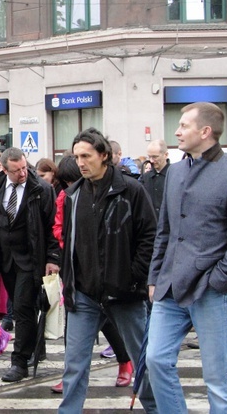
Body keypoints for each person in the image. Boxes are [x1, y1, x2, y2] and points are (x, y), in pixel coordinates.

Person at [147, 102, 227, 413]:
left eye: (184, 125)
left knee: (218, 380)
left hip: (212, 292)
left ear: (205, 131)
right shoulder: (175, 171)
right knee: (155, 360)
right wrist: (155, 277)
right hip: (170, 288)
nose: (177, 131)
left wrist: (218, 281)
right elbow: (165, 231)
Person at [58, 129, 157, 413]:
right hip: (84, 294)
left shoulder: (131, 190)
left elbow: (149, 236)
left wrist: (133, 276)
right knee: (74, 364)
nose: (80, 163)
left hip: (124, 293)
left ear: (104, 156)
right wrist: (69, 281)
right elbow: (70, 243)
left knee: (143, 361)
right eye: (76, 157)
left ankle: (155, 408)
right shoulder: (73, 194)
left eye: (86, 156)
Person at [49, 155, 134, 395]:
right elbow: (58, 227)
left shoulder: (109, 191)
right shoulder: (66, 196)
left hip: (107, 270)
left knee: (111, 321)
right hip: (76, 270)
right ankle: (72, 376)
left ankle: (125, 361)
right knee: (75, 327)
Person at [0, 147, 59, 384]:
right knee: (20, 304)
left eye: (25, 168)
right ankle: (38, 346)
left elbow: (52, 227)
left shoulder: (42, 190)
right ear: (5, 170)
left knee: (24, 308)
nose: (23, 174)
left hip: (31, 258)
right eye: (16, 171)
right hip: (6, 258)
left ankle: (19, 362)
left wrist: (52, 258)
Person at [139, 139, 170, 218]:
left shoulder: (176, 175)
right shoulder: (145, 178)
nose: (151, 160)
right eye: (149, 157)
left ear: (166, 155)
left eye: (155, 157)